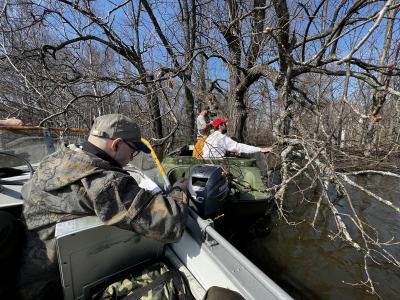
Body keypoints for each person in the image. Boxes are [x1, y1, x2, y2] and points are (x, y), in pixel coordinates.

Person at [18, 114, 189, 299]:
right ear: (116, 145)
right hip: (51, 290)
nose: (132, 157)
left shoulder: (55, 159)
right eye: (133, 151)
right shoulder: (102, 182)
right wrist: (180, 189)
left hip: (27, 274)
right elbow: (171, 221)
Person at [202, 118, 272, 159]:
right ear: (220, 126)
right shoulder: (222, 137)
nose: (226, 126)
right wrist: (260, 149)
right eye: (224, 124)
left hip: (206, 163)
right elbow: (239, 147)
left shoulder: (210, 137)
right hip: (217, 165)